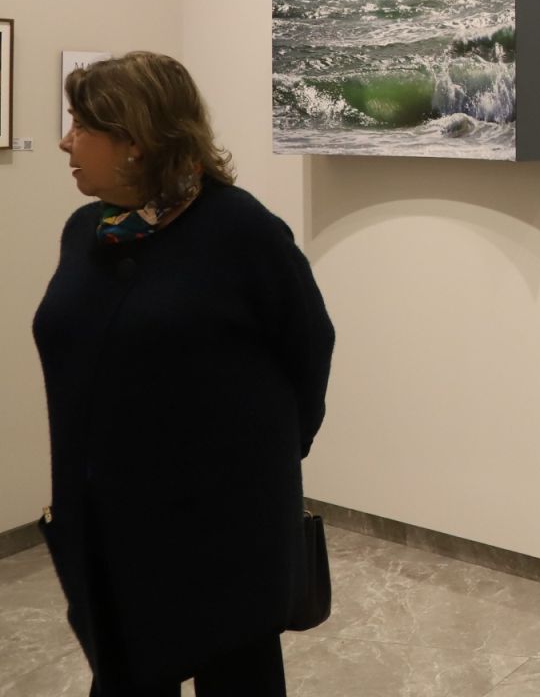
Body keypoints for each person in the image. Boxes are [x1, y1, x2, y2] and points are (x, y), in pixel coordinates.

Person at [32, 52, 334, 697]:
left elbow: (308, 346)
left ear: (135, 141)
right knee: (125, 671)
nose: (66, 140)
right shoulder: (87, 230)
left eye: (82, 125)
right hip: (109, 517)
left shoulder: (238, 228)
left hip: (223, 523)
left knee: (237, 674)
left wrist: (272, 459)